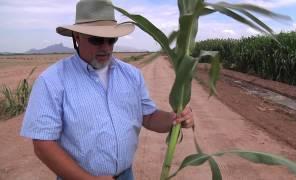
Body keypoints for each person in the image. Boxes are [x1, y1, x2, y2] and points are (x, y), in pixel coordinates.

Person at [20, 0, 194, 179]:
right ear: (77, 37)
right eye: (96, 40)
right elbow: (43, 144)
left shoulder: (132, 75)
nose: (105, 47)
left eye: (111, 40)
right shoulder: (52, 81)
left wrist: (175, 118)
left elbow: (148, 117)